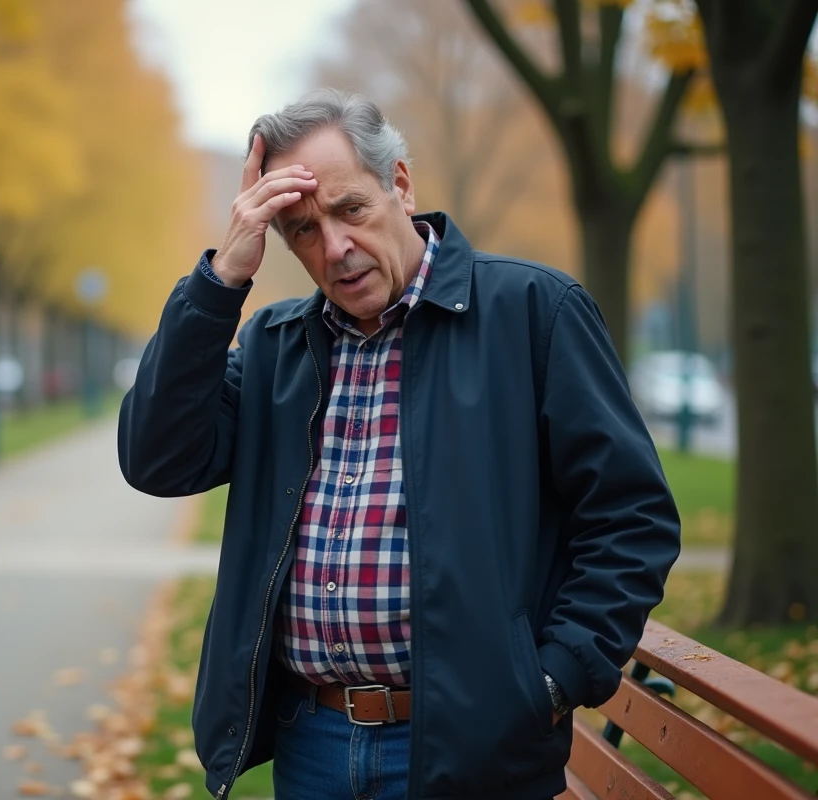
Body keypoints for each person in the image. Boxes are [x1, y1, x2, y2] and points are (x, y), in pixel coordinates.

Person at [117, 89, 680, 800]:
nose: (336, 247)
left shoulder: (534, 313)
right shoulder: (274, 346)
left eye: (350, 210)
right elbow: (157, 458)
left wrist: (552, 678)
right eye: (302, 230)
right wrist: (221, 279)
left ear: (400, 185)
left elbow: (632, 518)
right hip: (311, 742)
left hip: (472, 741)